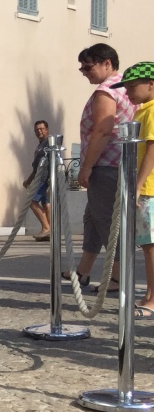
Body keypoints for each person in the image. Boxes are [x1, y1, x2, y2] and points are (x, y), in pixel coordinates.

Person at [72, 43, 136, 291]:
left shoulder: (107, 91)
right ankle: (84, 270)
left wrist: (86, 167)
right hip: (119, 163)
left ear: (107, 63)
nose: (84, 72)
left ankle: (117, 277)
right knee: (93, 219)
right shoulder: (126, 87)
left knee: (109, 221)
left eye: (88, 67)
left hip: (106, 164)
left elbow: (102, 129)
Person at [117, 63, 154, 317]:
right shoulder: (142, 112)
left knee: (151, 245)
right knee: (146, 244)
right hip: (145, 188)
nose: (128, 92)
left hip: (150, 188)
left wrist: (138, 185)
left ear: (151, 84)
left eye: (133, 86)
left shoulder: (152, 112)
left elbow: (152, 149)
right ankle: (150, 292)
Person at [24, 119, 52, 241]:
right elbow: (36, 167)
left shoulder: (49, 144)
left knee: (31, 201)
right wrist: (28, 181)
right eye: (37, 130)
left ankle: (46, 228)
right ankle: (50, 232)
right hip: (39, 177)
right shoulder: (40, 145)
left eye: (41, 129)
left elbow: (53, 161)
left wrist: (51, 178)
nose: (39, 131)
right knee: (46, 204)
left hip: (44, 178)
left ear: (47, 129)